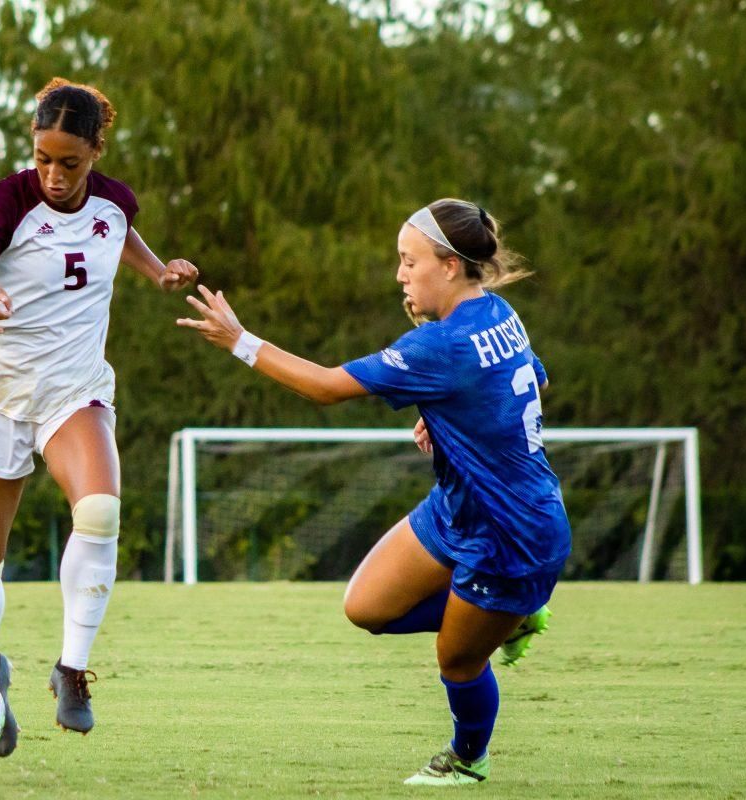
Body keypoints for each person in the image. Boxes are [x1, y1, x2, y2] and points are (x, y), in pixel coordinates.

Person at [177, 199, 570, 785]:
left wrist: (241, 341)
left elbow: (328, 387)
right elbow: (534, 379)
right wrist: (449, 419)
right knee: (367, 608)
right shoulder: (497, 310)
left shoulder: (439, 346)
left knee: (457, 661)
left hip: (513, 534)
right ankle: (504, 619)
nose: (400, 274)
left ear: (449, 265)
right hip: (459, 507)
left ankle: (468, 757)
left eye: (409, 261)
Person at [0, 77, 199, 755]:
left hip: (72, 392)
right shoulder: (7, 201)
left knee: (102, 510)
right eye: (43, 157)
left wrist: (158, 274)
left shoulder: (115, 202)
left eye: (70, 162)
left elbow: (119, 237)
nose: (53, 175)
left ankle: (72, 670)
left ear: (96, 151)